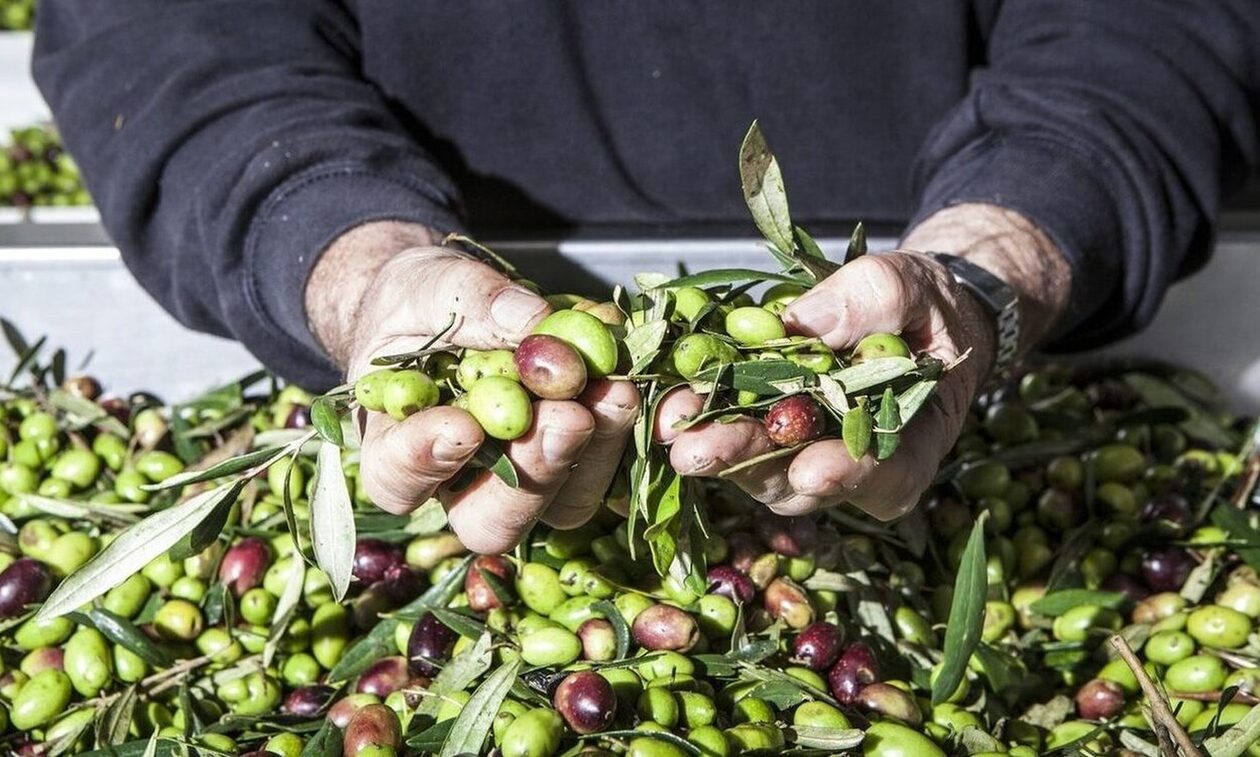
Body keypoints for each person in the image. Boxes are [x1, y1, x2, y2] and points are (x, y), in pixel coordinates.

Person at [32, 3, 1259, 553]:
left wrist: (997, 262)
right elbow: (160, 29)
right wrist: (356, 264)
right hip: (430, 370)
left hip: (953, 367)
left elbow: (1154, 18)